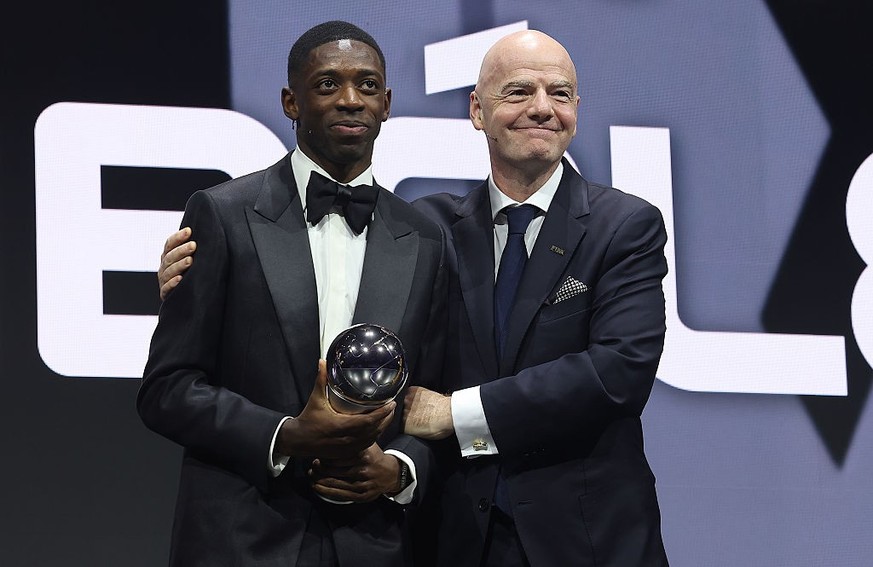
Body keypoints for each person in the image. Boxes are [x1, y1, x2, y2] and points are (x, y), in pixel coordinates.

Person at [159, 29, 669, 567]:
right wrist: (202, 279)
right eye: (518, 91)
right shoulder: (429, 228)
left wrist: (446, 421)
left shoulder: (625, 226)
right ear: (477, 110)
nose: (541, 108)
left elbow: (619, 369)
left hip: (583, 539)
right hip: (451, 540)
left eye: (559, 93)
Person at [139, 21, 445, 567]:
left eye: (368, 85)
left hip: (374, 541)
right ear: (291, 101)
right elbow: (168, 389)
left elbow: (438, 389)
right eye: (328, 84)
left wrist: (399, 467)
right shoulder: (223, 214)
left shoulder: (424, 237)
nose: (351, 100)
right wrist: (288, 435)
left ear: (388, 103)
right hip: (242, 537)